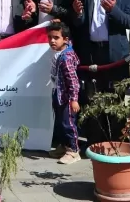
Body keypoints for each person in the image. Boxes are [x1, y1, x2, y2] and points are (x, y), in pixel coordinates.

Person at [71, 0, 130, 143]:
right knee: (92, 98)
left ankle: (116, 141)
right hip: (91, 53)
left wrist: (113, 10)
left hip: (115, 54)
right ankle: (94, 142)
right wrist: (78, 13)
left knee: (115, 98)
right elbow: (79, 23)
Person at [47, 23, 81, 165]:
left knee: (68, 124)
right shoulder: (60, 53)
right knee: (60, 123)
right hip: (58, 94)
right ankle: (63, 146)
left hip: (67, 98)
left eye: (56, 38)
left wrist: (74, 99)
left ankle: (74, 151)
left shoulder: (66, 58)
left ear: (65, 39)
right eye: (50, 37)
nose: (52, 41)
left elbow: (73, 81)